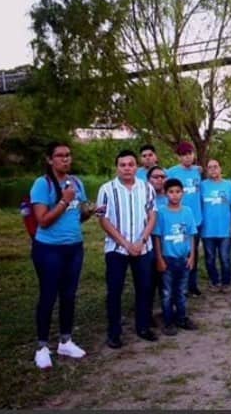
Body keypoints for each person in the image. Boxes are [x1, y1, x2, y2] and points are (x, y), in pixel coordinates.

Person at [30, 142, 95, 369]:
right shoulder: (42, 184)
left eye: (68, 155)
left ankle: (65, 341)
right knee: (48, 296)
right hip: (49, 249)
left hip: (74, 247)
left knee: (69, 295)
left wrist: (90, 211)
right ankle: (42, 347)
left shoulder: (76, 182)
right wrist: (64, 200)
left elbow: (79, 216)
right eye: (60, 156)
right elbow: (43, 220)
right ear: (50, 159)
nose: (65, 159)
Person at [97, 150, 158, 349]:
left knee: (145, 289)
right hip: (117, 249)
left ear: (136, 166)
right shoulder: (106, 189)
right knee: (115, 291)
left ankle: (143, 327)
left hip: (143, 247)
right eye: (122, 165)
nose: (127, 168)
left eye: (131, 164)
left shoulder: (147, 188)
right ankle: (114, 333)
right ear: (117, 167)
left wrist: (141, 240)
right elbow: (103, 220)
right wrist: (125, 243)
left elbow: (152, 216)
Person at [153, 178, 198, 336]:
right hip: (167, 260)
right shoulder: (161, 213)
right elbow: (157, 237)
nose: (175, 195)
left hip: (183, 259)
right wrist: (159, 258)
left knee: (182, 291)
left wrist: (192, 256)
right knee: (166, 293)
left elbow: (192, 235)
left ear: (182, 193)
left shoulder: (187, 211)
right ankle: (168, 321)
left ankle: (182, 318)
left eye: (178, 192)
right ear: (165, 194)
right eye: (171, 192)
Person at [166, 142, 203, 296]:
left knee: (193, 253)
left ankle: (192, 285)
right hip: (178, 217)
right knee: (179, 253)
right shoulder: (172, 172)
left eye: (190, 153)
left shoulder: (197, 171)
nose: (187, 157)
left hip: (197, 219)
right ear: (179, 157)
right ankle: (178, 286)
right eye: (184, 155)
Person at [200, 159, 231, 293]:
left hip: (225, 229)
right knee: (210, 258)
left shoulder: (228, 185)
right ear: (207, 170)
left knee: (225, 257)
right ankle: (214, 281)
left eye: (215, 166)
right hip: (207, 230)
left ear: (220, 168)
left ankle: (226, 283)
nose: (213, 169)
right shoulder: (202, 185)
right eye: (210, 167)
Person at [147, 166, 168, 325]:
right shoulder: (144, 198)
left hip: (168, 245)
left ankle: (167, 311)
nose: (159, 179)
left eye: (162, 176)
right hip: (148, 245)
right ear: (148, 180)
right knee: (148, 281)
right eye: (155, 177)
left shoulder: (171, 197)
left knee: (166, 281)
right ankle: (147, 315)